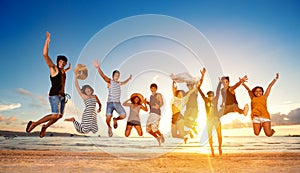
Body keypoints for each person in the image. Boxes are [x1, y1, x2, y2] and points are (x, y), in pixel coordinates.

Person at [26, 31, 71, 138]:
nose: (62, 64)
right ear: (57, 62)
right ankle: (34, 124)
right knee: (54, 115)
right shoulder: (53, 69)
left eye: (64, 63)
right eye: (61, 62)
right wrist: (47, 41)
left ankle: (45, 127)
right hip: (54, 95)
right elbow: (45, 55)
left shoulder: (63, 71)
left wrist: (68, 68)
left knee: (59, 116)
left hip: (62, 97)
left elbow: (64, 72)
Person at [93, 60, 132, 137]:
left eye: (118, 76)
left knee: (124, 115)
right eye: (115, 75)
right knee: (107, 118)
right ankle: (109, 127)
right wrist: (98, 68)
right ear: (113, 76)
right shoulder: (110, 82)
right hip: (110, 103)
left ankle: (115, 120)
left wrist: (129, 79)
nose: (117, 77)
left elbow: (124, 82)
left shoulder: (119, 83)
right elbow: (103, 76)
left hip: (117, 103)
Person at [197, 68, 223, 156]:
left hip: (216, 119)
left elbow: (218, 91)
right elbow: (199, 90)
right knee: (210, 136)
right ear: (208, 96)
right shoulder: (206, 100)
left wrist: (220, 83)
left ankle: (219, 147)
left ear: (213, 96)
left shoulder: (215, 99)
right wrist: (202, 76)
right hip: (209, 120)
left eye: (212, 95)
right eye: (209, 95)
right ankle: (212, 149)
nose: (210, 97)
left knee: (219, 135)